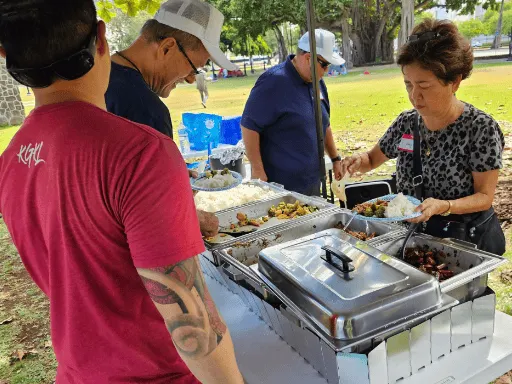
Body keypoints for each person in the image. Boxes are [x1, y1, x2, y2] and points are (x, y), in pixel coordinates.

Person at [0, 1, 244, 383]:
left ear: (6, 56)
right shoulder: (140, 153)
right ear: (100, 38)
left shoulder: (11, 160)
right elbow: (191, 322)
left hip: (78, 372)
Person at [341, 19, 506, 255]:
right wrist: (357, 161)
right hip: (415, 241)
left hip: (462, 245)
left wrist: (445, 206)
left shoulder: (480, 129)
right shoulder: (406, 123)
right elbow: (371, 160)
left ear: (454, 81)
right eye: (408, 84)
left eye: (424, 86)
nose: (414, 96)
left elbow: (484, 197)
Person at [105, 0, 237, 238]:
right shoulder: (147, 110)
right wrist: (190, 217)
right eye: (194, 68)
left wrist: (169, 174)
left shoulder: (95, 75)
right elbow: (157, 216)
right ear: (166, 47)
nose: (189, 80)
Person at [241, 29, 344, 196]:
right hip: (281, 188)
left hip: (311, 184)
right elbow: (249, 125)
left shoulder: (317, 83)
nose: (326, 71)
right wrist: (257, 170)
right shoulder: (274, 82)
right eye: (324, 64)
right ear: (309, 58)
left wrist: (335, 159)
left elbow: (324, 124)